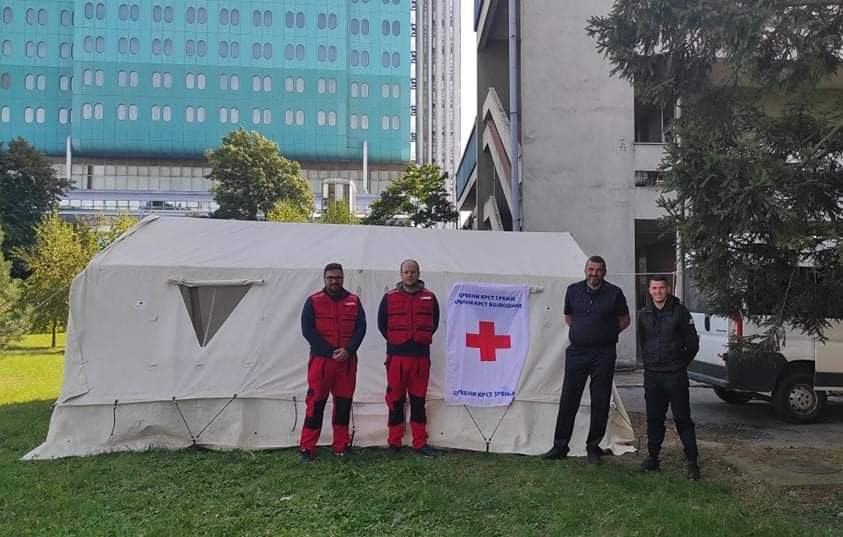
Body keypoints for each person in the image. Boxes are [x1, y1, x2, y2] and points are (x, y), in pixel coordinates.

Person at [543, 255, 630, 464]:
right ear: (585, 270)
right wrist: (584, 332)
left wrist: (606, 333)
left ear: (604, 272)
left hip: (604, 353)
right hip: (577, 353)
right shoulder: (573, 290)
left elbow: (625, 320)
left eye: (598, 270)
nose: (594, 274)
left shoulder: (614, 293)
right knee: (568, 398)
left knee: (600, 401)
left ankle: (593, 447)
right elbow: (569, 317)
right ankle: (560, 446)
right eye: (591, 269)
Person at [299, 263, 366, 462]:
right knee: (315, 404)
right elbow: (307, 330)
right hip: (321, 362)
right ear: (324, 278)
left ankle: (341, 445)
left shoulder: (354, 301)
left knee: (343, 404)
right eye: (330, 277)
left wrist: (349, 350)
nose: (334, 281)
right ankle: (308, 447)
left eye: (337, 277)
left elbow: (361, 328)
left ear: (343, 277)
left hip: (346, 362)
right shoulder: (313, 301)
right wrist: (330, 351)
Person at [637, 275, 701, 480]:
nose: (658, 292)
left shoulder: (680, 312)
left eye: (661, 288)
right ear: (649, 290)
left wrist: (680, 363)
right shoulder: (644, 314)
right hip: (653, 375)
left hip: (675, 375)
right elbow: (643, 340)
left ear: (668, 289)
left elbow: (692, 344)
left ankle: (692, 461)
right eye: (654, 288)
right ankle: (653, 458)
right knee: (654, 418)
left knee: (682, 418)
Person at [378, 259, 440, 457]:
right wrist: (397, 342)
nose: (410, 275)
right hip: (396, 358)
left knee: (418, 401)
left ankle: (420, 442)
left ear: (419, 273)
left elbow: (434, 322)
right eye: (406, 272)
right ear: (401, 274)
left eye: (413, 272)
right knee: (395, 400)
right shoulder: (389, 297)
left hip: (420, 358)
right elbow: (382, 324)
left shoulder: (430, 297)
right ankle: (394, 441)